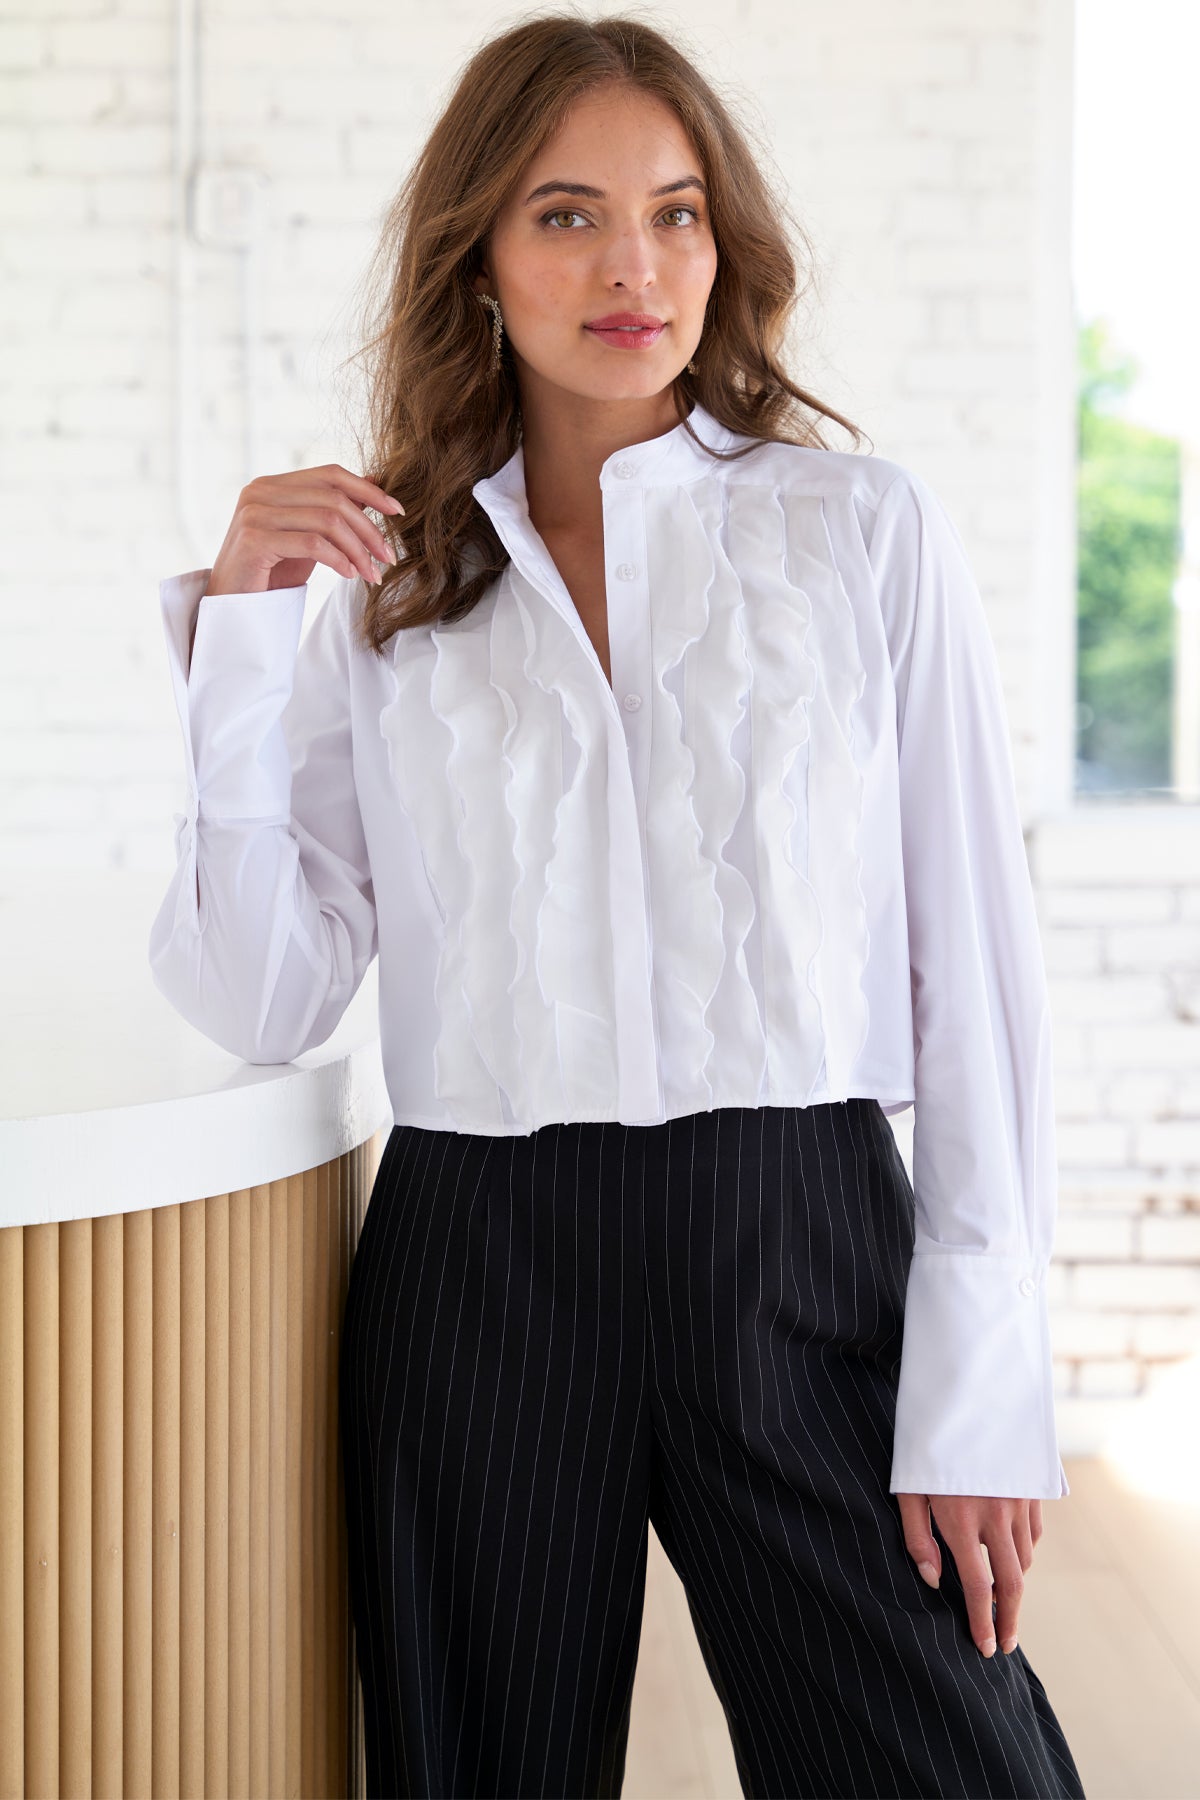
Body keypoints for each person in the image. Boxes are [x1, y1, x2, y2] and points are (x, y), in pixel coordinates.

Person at [148, 12, 1088, 1799]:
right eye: (567, 214)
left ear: (723, 242)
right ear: (479, 259)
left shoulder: (858, 532)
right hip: (482, 1264)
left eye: (674, 212)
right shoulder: (386, 586)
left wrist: (983, 1388)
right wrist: (249, 637)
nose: (633, 265)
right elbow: (261, 993)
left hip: (800, 1242)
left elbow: (979, 972)